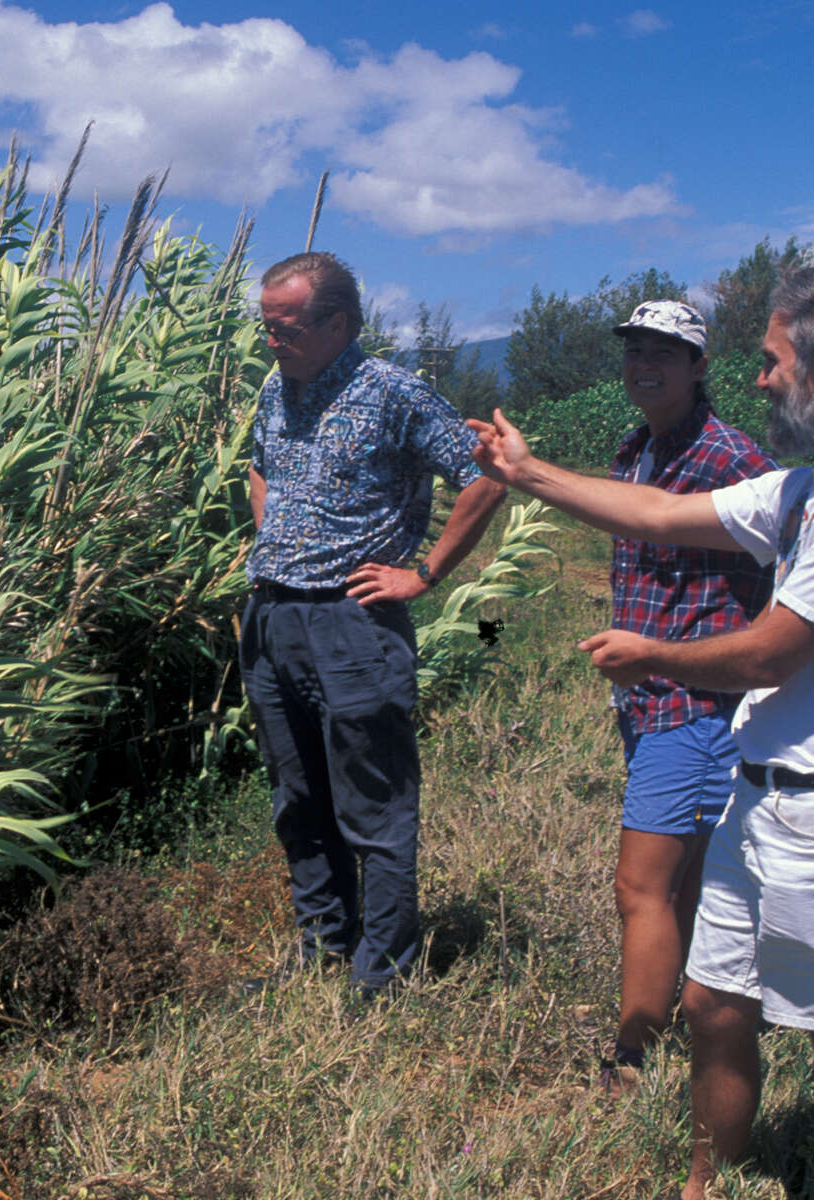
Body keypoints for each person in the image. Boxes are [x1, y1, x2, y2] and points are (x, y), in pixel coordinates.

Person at [470, 265, 814, 1200]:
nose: (760, 378)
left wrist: (656, 656)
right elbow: (657, 510)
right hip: (761, 804)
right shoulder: (810, 487)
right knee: (714, 1008)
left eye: (772, 361)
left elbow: (771, 653)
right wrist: (526, 474)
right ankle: (701, 1186)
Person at [241, 251, 505, 1000]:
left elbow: (486, 474)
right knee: (298, 799)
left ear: (337, 324)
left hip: (354, 625)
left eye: (285, 328)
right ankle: (324, 945)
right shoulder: (275, 385)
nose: (271, 342)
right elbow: (259, 464)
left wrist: (422, 575)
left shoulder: (394, 393)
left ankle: (381, 976)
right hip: (272, 618)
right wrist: (275, 538)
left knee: (374, 806)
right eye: (265, 327)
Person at [598, 300, 776, 1092]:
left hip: (696, 708)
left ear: (700, 365)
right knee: (690, 880)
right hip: (649, 706)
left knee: (641, 885)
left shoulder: (732, 459)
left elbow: (799, 558)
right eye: (635, 349)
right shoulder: (636, 451)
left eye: (665, 352)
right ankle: (701, 1012)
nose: (645, 364)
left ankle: (631, 1054)